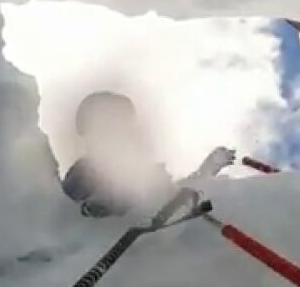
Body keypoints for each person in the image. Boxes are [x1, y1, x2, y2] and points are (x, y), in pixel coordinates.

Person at [61, 91, 236, 218]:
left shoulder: (143, 171)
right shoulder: (84, 171)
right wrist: (94, 208)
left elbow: (172, 199)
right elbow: (64, 216)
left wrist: (207, 170)